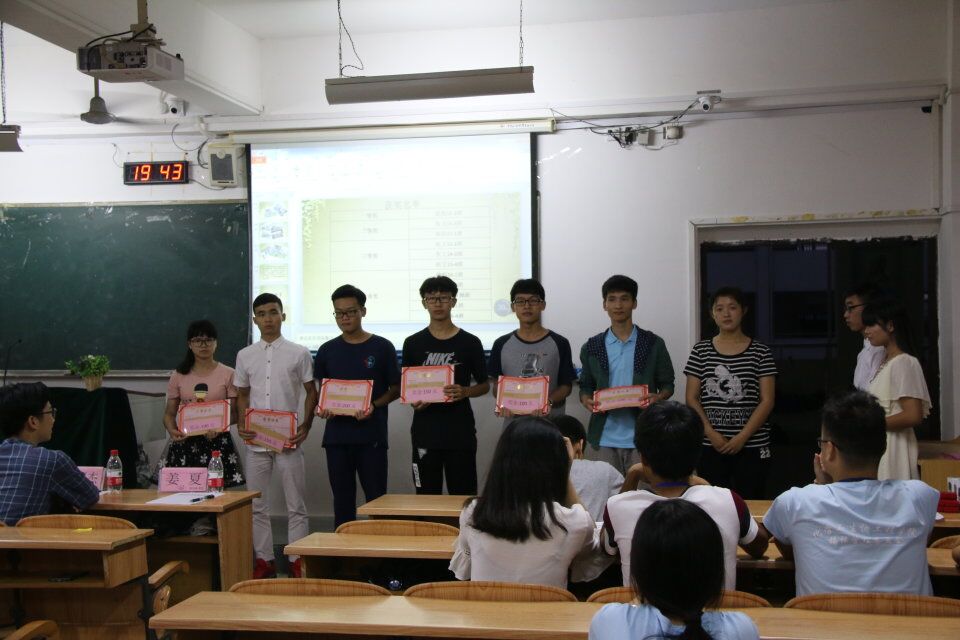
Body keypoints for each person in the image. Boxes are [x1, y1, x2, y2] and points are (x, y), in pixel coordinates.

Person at [761, 391, 938, 595]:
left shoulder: (796, 503)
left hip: (822, 616)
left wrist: (821, 486)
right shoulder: (919, 496)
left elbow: (790, 549)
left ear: (829, 450)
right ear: (883, 447)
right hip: (907, 616)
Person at [603, 401, 767, 590]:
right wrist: (705, 485)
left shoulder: (618, 506)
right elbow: (759, 547)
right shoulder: (729, 501)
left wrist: (632, 475)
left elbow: (607, 550)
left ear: (643, 458)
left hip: (642, 610)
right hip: (715, 610)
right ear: (698, 455)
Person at [449, 417, 596, 588]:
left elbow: (465, 570)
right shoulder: (572, 521)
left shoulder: (474, 512)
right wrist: (565, 471)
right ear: (557, 466)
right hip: (548, 606)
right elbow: (591, 549)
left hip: (486, 606)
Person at [590, 500, 759, 640]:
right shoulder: (741, 629)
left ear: (639, 568)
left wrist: (642, 593)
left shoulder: (610, 621)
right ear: (715, 571)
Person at [235, 293, 317, 579]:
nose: (268, 319)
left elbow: (311, 392)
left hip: (288, 441)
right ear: (255, 319)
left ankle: (297, 559)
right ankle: (264, 560)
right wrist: (241, 423)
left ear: (283, 315)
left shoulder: (299, 352)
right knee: (256, 505)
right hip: (256, 442)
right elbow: (242, 394)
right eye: (262, 314)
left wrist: (306, 425)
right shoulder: (245, 355)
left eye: (273, 312)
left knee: (296, 504)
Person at [314, 284, 400, 527]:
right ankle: (344, 550)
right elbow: (322, 393)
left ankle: (378, 550)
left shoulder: (382, 347)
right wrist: (322, 408)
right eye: (339, 313)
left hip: (371, 437)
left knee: (376, 500)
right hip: (337, 439)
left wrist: (374, 405)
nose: (345, 318)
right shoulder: (326, 350)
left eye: (350, 311)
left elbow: (396, 388)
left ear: (363, 311)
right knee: (342, 501)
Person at [684, 287, 776, 499]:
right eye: (720, 309)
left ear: (743, 310)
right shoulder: (701, 351)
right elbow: (691, 398)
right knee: (712, 502)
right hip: (710, 444)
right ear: (712, 314)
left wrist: (742, 437)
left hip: (753, 444)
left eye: (732, 307)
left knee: (752, 500)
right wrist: (710, 433)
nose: (726, 313)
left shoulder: (760, 352)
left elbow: (767, 400)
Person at [579, 274, 675, 476]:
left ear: (634, 303)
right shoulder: (592, 346)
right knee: (605, 492)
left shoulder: (653, 343)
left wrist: (658, 398)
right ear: (604, 305)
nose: (618, 305)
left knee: (643, 492)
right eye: (612, 299)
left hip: (644, 437)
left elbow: (668, 384)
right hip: (603, 438)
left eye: (624, 298)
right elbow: (585, 386)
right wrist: (586, 400)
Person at [402, 276, 489, 495]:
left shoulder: (470, 342)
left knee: (463, 496)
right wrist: (415, 402)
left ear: (454, 301)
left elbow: (485, 385)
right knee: (425, 496)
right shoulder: (412, 343)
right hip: (424, 433)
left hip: (460, 433)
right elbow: (407, 388)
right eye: (432, 298)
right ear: (424, 303)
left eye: (444, 298)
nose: (438, 303)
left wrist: (465, 391)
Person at [0, 382, 100, 525]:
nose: (53, 419)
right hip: (21, 539)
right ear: (33, 421)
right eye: (50, 412)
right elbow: (90, 497)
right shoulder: (52, 460)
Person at [161, 320, 244, 487]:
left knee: (217, 493)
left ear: (216, 343)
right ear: (189, 344)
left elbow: (235, 413)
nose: (203, 345)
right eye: (198, 340)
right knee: (184, 492)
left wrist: (219, 427)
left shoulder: (229, 373)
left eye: (208, 340)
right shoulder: (178, 375)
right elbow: (169, 414)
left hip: (217, 442)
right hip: (185, 443)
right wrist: (172, 430)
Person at [862, 300, 931, 480]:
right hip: (882, 443)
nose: (866, 331)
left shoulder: (904, 362)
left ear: (891, 326)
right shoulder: (885, 361)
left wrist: (870, 424)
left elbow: (913, 415)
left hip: (894, 446)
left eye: (871, 324)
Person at [489, 278, 576, 417]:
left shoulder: (560, 343)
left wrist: (548, 402)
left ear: (543, 305)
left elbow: (566, 386)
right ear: (513, 307)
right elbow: (496, 385)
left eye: (533, 300)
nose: (527, 306)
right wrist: (503, 401)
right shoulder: (501, 344)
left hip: (551, 424)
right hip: (514, 425)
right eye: (520, 301)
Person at [551, 414, 622, 522]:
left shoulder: (534, 472)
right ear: (580, 444)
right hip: (593, 531)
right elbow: (626, 505)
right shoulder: (605, 470)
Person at [842, 282, 887, 391]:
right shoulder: (864, 351)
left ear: (869, 308)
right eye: (845, 309)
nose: (845, 315)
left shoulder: (880, 349)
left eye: (850, 307)